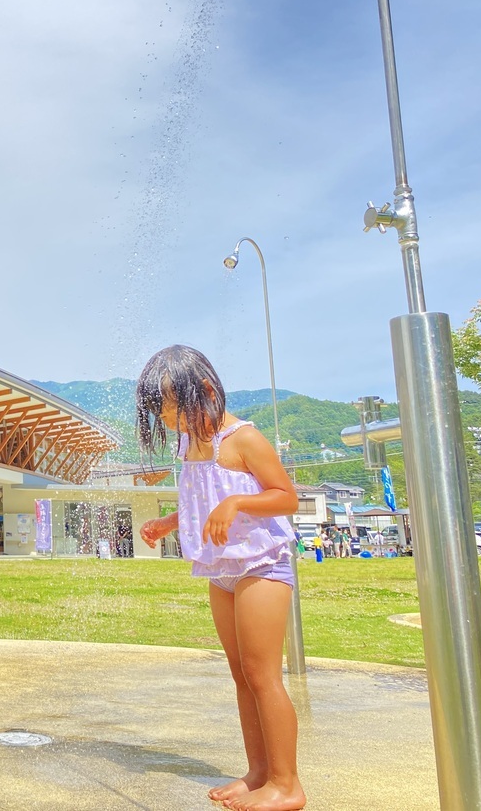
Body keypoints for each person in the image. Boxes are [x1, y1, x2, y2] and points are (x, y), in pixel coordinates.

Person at [136, 345, 305, 811]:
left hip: (261, 565)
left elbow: (285, 497)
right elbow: (202, 497)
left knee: (262, 673)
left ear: (205, 391)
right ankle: (259, 773)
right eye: (162, 412)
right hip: (222, 570)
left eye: (173, 409)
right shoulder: (190, 445)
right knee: (240, 674)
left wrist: (236, 504)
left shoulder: (244, 438)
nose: (170, 421)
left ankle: (288, 785)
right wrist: (169, 522)